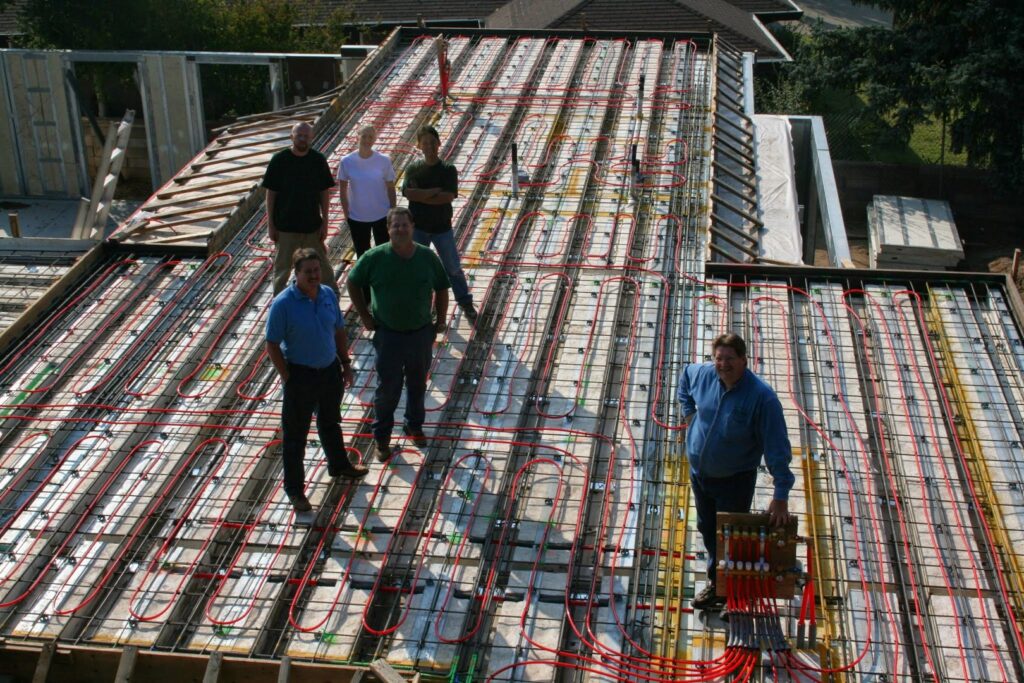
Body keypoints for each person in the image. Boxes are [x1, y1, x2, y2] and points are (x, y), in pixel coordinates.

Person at [676, 332, 794, 611]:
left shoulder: (761, 398)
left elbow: (776, 447)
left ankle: (735, 594)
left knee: (731, 536)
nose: (723, 364)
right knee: (707, 529)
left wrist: (781, 495)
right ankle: (719, 586)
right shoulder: (702, 374)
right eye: (718, 358)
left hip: (734, 480)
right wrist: (689, 414)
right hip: (700, 474)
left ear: (743, 360)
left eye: (730, 359)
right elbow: (684, 378)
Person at [266, 248, 368, 512]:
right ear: (296, 273)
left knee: (330, 422)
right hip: (300, 375)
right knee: (295, 436)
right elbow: (272, 344)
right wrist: (287, 377)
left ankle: (339, 465)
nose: (313, 275)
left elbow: (338, 331)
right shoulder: (283, 303)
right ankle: (295, 490)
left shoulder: (327, 295)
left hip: (329, 370)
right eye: (307, 272)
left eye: (316, 270)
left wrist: (345, 364)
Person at [345, 207, 449, 461]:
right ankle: (382, 439)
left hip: (420, 333)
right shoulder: (374, 257)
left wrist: (441, 321)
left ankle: (414, 425)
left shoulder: (426, 257)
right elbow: (353, 282)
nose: (400, 229)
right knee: (388, 389)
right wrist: (365, 316)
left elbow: (442, 288)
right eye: (396, 225)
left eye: (405, 225)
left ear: (412, 227)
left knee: (417, 384)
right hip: (388, 335)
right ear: (388, 229)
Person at [401, 125, 477, 323]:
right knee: (420, 268)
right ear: (419, 145)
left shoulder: (448, 169)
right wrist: (433, 191)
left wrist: (421, 196)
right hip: (418, 229)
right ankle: (423, 305)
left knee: (452, 267)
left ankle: (464, 301)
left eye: (432, 142)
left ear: (439, 143)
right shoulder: (413, 169)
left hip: (442, 228)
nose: (429, 146)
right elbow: (409, 193)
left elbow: (447, 197)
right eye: (425, 142)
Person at [262, 122, 339, 295]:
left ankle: (332, 298)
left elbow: (324, 192)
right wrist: (271, 225)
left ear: (312, 138)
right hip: (285, 228)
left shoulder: (317, 160)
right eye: (299, 135)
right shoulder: (279, 160)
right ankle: (279, 305)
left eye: (306, 136)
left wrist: (325, 222)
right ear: (292, 136)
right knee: (282, 271)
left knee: (323, 268)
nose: (303, 138)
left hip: (311, 226)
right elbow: (271, 193)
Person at [337, 124, 396, 256]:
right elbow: (342, 188)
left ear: (375, 139)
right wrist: (346, 212)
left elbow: (390, 187)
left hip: (381, 215)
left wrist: (392, 210)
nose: (367, 140)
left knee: (384, 253)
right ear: (358, 137)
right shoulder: (346, 161)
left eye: (371, 137)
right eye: (364, 136)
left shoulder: (384, 160)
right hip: (357, 217)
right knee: (362, 254)